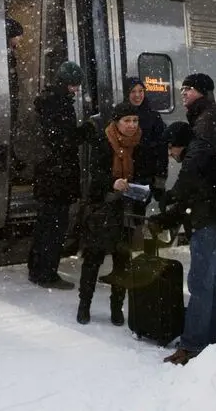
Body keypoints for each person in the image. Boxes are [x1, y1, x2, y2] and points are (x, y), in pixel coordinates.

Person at [150, 73, 216, 365]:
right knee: (207, 283)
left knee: (200, 284)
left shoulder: (206, 120)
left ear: (204, 92)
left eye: (189, 89)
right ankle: (210, 344)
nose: (183, 93)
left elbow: (194, 164)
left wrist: (173, 195)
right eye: (181, 89)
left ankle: (193, 347)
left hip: (212, 218)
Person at [27, 61, 92, 289]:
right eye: (75, 85)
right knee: (55, 226)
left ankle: (37, 269)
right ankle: (47, 273)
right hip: (57, 175)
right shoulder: (59, 104)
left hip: (47, 172)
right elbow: (64, 141)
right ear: (68, 83)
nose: (76, 90)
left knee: (45, 224)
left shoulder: (47, 100)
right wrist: (86, 131)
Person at [76, 102, 143, 325]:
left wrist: (140, 187)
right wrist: (113, 182)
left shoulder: (139, 142)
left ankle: (117, 307)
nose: (132, 125)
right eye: (127, 121)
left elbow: (145, 172)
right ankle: (84, 305)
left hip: (128, 211)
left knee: (122, 262)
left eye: (135, 121)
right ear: (116, 122)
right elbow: (94, 175)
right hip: (103, 209)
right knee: (93, 259)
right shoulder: (103, 141)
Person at [124, 77, 168, 197]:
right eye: (133, 91)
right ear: (126, 93)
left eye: (141, 91)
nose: (138, 95)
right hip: (123, 176)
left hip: (145, 175)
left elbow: (162, 149)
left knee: (138, 211)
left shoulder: (154, 117)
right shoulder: (119, 115)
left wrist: (160, 179)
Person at [6, 17, 26, 173]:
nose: (19, 42)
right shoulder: (6, 55)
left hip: (10, 102)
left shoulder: (8, 53)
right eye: (18, 37)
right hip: (8, 103)